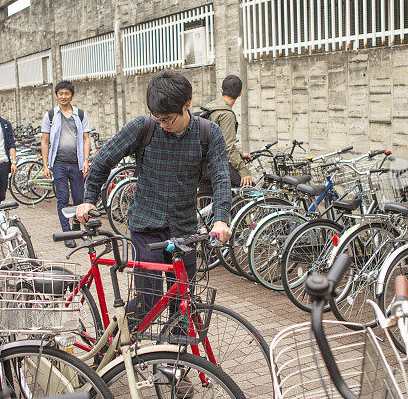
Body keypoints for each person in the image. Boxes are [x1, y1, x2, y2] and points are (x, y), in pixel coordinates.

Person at [75, 71, 232, 349]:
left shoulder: (209, 133)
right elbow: (102, 160)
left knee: (183, 301)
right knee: (149, 299)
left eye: (168, 119)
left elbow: (221, 177)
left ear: (187, 105)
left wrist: (221, 218)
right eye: (158, 119)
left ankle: (174, 366)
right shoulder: (143, 128)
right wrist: (89, 198)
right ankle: (119, 334)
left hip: (184, 230)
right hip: (146, 226)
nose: (163, 125)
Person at [41, 80, 92, 248]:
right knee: (62, 198)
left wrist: (86, 160)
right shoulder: (50, 115)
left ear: (72, 96)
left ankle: (77, 228)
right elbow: (45, 141)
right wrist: (45, 165)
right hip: (59, 164)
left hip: (76, 164)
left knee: (79, 198)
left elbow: (86, 139)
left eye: (66, 94)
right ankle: (67, 233)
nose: (63, 96)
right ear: (56, 95)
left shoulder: (81, 115)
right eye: (60, 93)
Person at [199, 74, 253, 189]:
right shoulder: (226, 114)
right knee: (248, 186)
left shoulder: (210, 108)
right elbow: (228, 146)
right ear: (240, 93)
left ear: (221, 90)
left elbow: (219, 141)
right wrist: (244, 171)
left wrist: (240, 153)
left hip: (203, 164)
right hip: (214, 164)